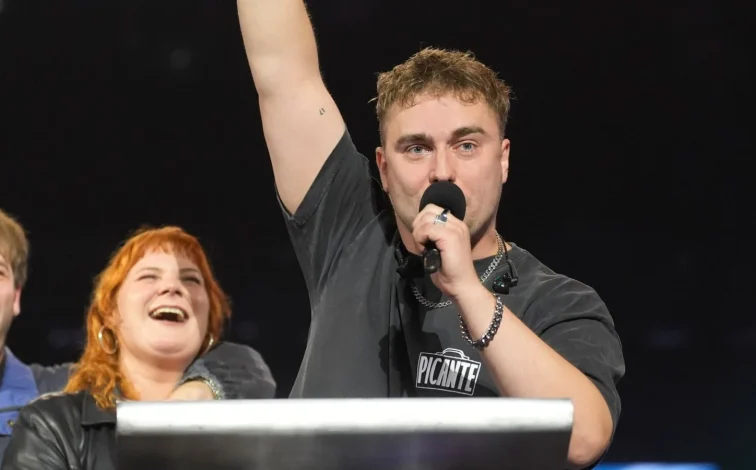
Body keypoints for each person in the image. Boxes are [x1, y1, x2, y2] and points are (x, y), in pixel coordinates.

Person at [236, 1, 626, 468]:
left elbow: (582, 439)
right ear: (383, 168)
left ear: (502, 159)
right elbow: (282, 74)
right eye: (416, 148)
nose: (443, 172)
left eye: (466, 145)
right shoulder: (351, 228)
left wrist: (466, 289)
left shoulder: (561, 304)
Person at [0, 220, 276, 468]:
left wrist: (191, 401)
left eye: (191, 279)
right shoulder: (53, 423)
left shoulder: (248, 423)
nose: (173, 287)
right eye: (149, 277)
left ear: (209, 319)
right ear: (109, 312)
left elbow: (246, 365)